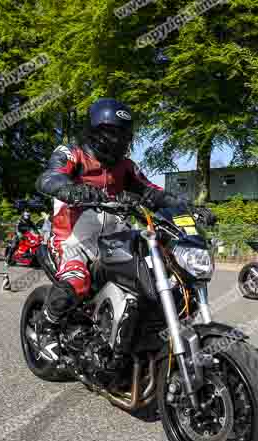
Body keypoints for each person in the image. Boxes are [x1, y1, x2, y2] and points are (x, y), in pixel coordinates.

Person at [33, 97, 215, 361]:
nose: (118, 140)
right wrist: (73, 189)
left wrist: (189, 208)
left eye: (123, 134)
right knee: (77, 281)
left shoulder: (126, 166)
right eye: (112, 133)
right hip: (71, 238)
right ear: (96, 131)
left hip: (114, 236)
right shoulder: (72, 153)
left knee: (154, 271)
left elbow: (153, 193)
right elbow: (49, 178)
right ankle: (47, 327)